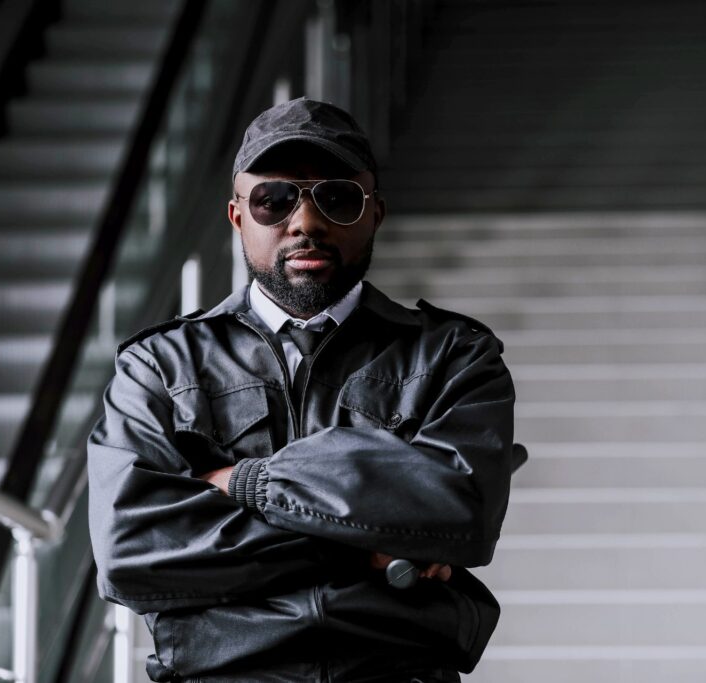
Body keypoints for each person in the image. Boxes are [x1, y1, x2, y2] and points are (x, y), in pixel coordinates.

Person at [86, 96, 517, 683]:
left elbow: (459, 512)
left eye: (337, 199)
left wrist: (243, 483)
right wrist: (373, 535)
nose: (306, 224)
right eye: (274, 200)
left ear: (376, 214)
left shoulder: (454, 355)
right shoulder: (160, 364)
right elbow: (130, 553)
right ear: (238, 215)